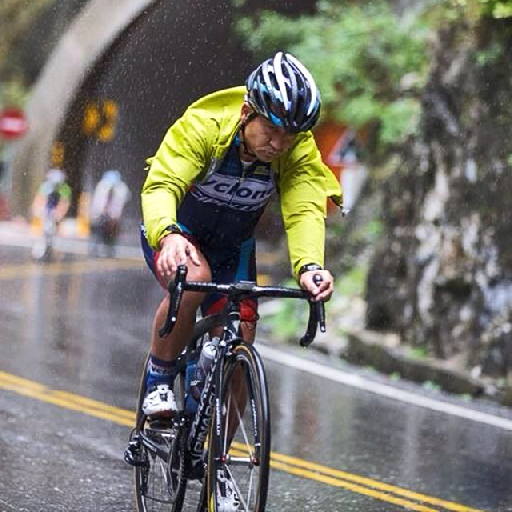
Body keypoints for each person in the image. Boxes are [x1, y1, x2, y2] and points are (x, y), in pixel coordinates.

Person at [140, 52, 342, 414]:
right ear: (247, 112)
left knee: (241, 336)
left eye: (290, 135)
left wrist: (310, 266)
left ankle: (216, 463)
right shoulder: (205, 126)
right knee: (195, 275)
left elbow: (304, 209)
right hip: (178, 233)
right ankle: (159, 378)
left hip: (233, 249)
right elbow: (162, 185)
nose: (278, 145)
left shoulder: (297, 153)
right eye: (271, 130)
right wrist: (167, 234)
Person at [89, 169, 131, 257]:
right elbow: (98, 202)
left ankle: (110, 250)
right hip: (101, 215)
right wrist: (97, 213)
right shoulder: (102, 186)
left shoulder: (121, 188)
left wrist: (114, 216)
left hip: (113, 216)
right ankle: (94, 249)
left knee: (111, 234)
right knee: (97, 232)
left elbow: (119, 204)